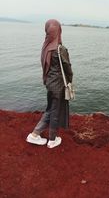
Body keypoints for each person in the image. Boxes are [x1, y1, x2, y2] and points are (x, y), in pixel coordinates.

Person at [26, 19, 73, 148]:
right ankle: (51, 140)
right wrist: (70, 81)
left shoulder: (45, 47)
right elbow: (68, 68)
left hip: (49, 84)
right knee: (55, 112)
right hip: (58, 86)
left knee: (51, 109)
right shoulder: (60, 49)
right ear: (59, 31)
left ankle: (35, 135)